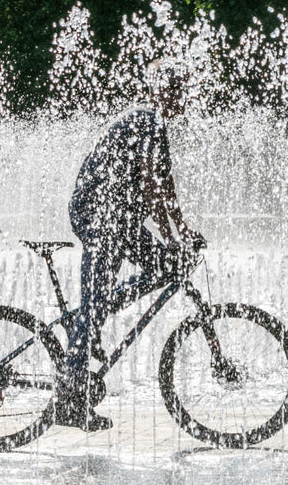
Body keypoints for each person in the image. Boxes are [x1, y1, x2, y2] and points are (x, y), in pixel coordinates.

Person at [56, 61, 204, 431]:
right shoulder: (146, 119)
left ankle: (94, 313)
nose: (181, 98)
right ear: (161, 90)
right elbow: (153, 192)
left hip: (119, 218)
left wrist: (183, 233)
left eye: (183, 91)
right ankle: (69, 399)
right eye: (176, 90)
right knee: (94, 306)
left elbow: (165, 187)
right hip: (100, 212)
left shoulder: (156, 126)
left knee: (167, 268)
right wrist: (173, 240)